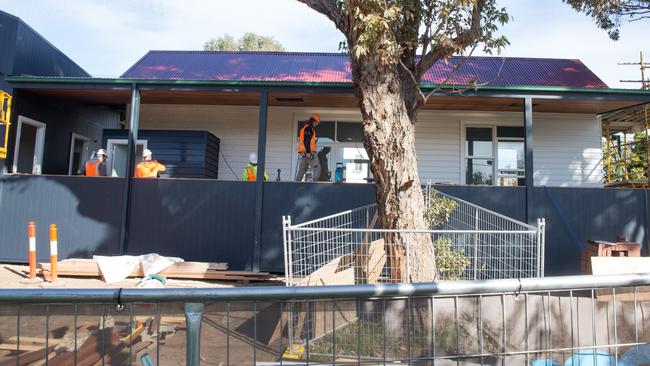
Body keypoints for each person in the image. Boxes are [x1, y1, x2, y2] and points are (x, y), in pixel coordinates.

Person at [295, 113, 322, 182]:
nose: (316, 124)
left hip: (303, 153)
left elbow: (306, 140)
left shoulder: (304, 128)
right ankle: (315, 185)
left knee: (302, 170)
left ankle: (296, 185)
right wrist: (308, 152)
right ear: (314, 121)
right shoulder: (309, 128)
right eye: (317, 123)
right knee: (317, 168)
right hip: (309, 152)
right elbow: (306, 140)